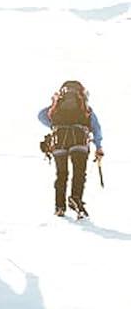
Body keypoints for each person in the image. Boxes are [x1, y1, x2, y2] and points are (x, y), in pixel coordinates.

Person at [38, 80, 104, 219]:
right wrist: (98, 147)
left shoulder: (58, 106)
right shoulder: (84, 108)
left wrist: (55, 124)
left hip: (59, 139)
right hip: (79, 138)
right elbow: (96, 127)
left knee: (61, 174)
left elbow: (41, 116)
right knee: (79, 172)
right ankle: (75, 198)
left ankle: (59, 206)